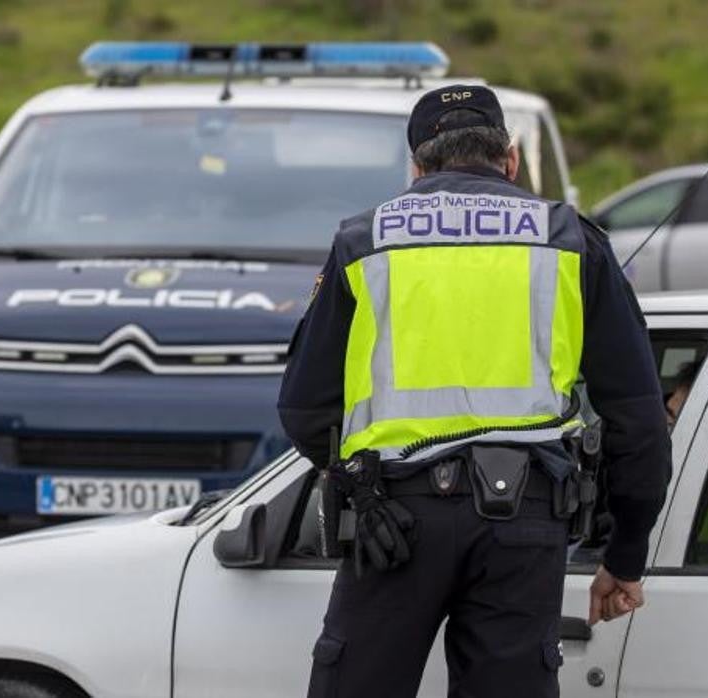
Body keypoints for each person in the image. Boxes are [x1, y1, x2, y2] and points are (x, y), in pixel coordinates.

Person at [278, 84, 672, 698]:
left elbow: (304, 408)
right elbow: (640, 418)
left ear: (416, 167)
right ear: (509, 159)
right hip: (528, 522)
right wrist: (625, 554)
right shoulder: (570, 240)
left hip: (394, 520)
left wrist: (355, 480)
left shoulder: (365, 240)